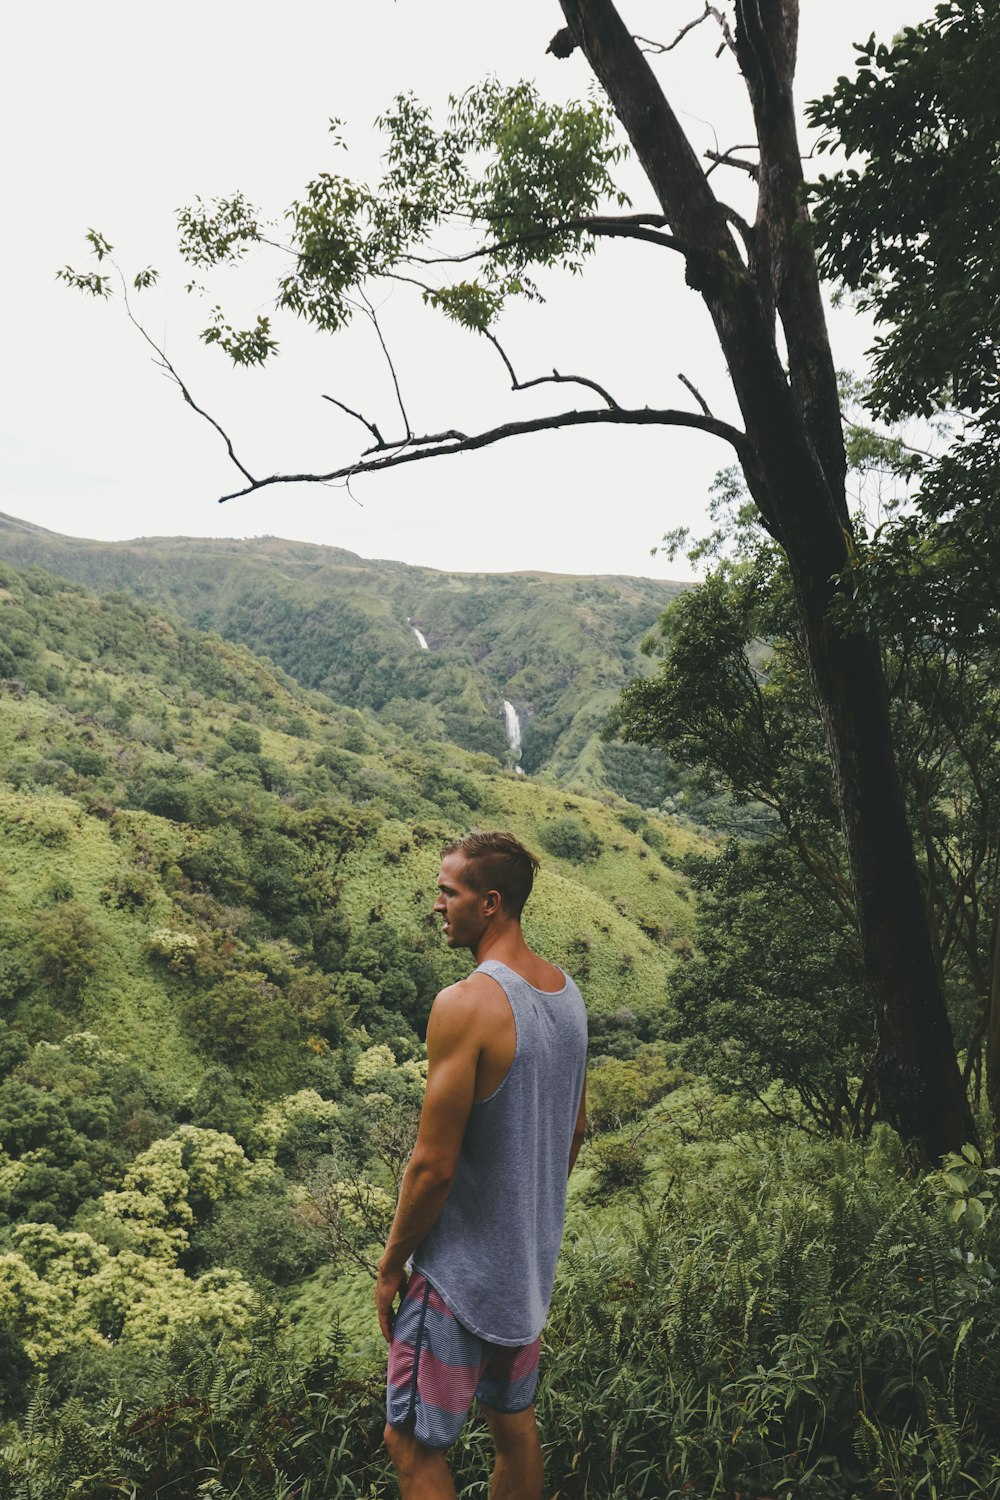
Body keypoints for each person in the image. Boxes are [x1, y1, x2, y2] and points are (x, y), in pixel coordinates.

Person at [376, 830, 588, 1500]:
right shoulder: (568, 996)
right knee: (514, 1425)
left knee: (408, 1442)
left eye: (448, 892)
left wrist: (390, 1267)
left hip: (458, 1278)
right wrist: (525, 1214)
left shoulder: (463, 1004)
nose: (437, 905)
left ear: (489, 903)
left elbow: (431, 1168)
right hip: (526, 1272)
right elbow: (575, 1132)